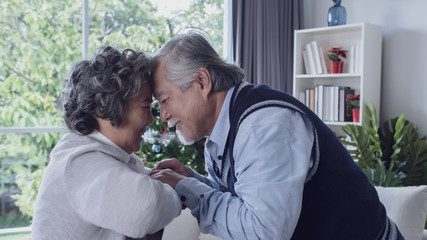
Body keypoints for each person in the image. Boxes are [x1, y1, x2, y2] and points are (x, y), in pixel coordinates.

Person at [149, 32, 404, 239]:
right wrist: (193, 180)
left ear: (201, 81)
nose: (163, 115)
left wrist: (187, 190)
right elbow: (248, 197)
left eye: (164, 100)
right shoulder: (223, 132)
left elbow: (263, 231)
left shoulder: (263, 126)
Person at [32, 46, 181, 240]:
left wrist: (160, 179)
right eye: (146, 107)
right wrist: (176, 189)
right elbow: (149, 208)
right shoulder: (79, 162)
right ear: (105, 107)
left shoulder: (90, 154)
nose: (151, 120)